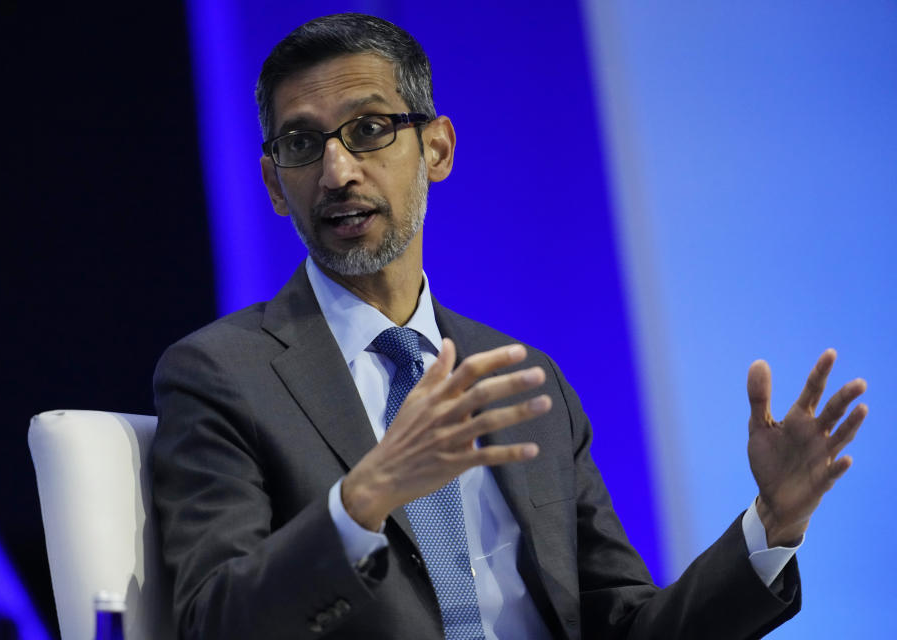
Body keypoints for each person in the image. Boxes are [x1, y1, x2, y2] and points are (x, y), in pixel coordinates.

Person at [151, 13, 867, 640]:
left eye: (368, 130)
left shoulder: (526, 379)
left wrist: (771, 527)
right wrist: (363, 500)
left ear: (437, 149)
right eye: (303, 145)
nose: (337, 171)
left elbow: (627, 625)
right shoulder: (224, 376)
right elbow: (212, 620)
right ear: (275, 185)